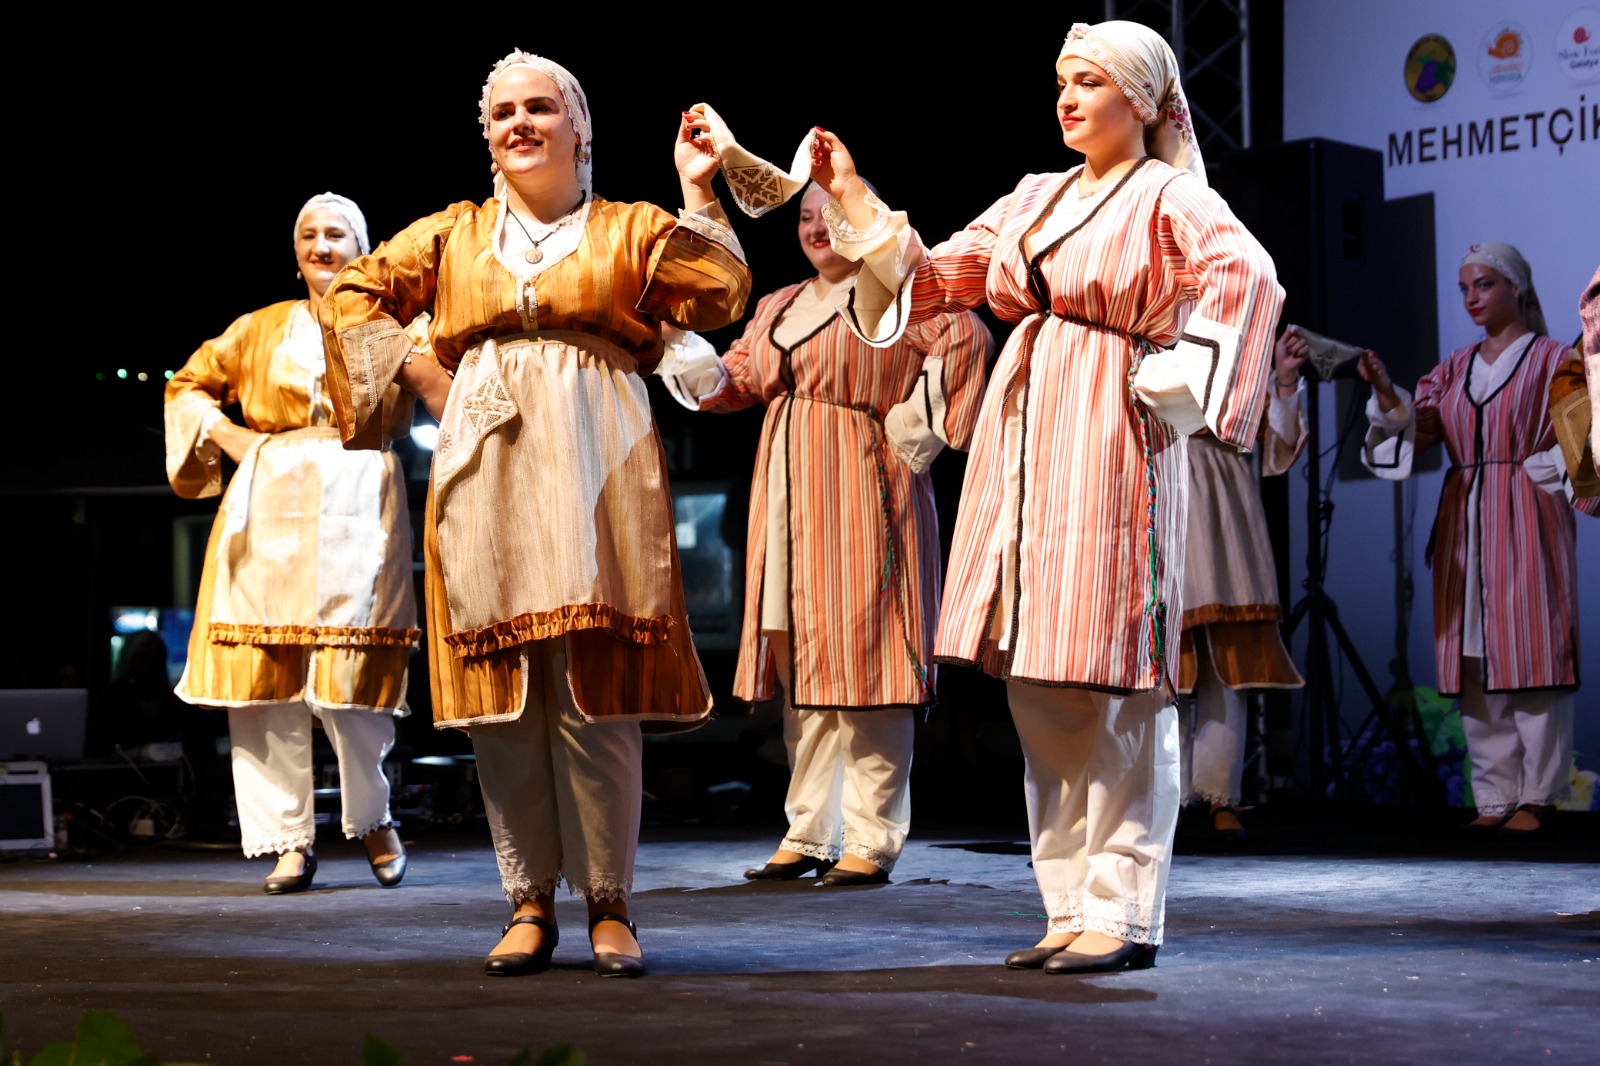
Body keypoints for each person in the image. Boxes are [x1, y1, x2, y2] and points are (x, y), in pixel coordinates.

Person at [810, 20, 1283, 973]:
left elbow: (1248, 277)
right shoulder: (1035, 195)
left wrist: (1186, 372)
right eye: (1062, 82)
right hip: (1024, 431)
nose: (1067, 98)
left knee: (1114, 675)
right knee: (1038, 672)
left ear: (1142, 102)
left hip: (1111, 424)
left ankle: (1123, 908)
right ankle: (1069, 902)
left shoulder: (1171, 196)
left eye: (1090, 82)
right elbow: (936, 277)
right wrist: (853, 196)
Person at [321, 52, 749, 978]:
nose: (521, 122)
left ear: (579, 126)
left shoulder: (629, 227)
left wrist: (694, 188)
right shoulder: (455, 233)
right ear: (487, 136)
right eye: (504, 111)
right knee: (505, 692)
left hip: (598, 451)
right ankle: (527, 901)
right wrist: (426, 374)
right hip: (487, 455)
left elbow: (718, 292)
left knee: (595, 688)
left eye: (541, 107)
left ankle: (610, 904)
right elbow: (353, 293)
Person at [657, 182, 992, 886]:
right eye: (806, 217)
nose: (815, 228)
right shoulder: (780, 305)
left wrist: (907, 434)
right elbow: (731, 383)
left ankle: (872, 837)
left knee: (868, 660)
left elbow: (965, 335)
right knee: (802, 665)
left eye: (831, 216)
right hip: (786, 491)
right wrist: (677, 343)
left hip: (864, 485)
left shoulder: (896, 294)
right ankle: (810, 829)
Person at [164, 193, 417, 894]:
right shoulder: (259, 327)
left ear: (361, 248)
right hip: (269, 497)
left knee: (352, 680)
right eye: (309, 234)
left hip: (358, 490)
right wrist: (229, 435)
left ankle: (373, 817)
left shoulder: (390, 322)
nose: (321, 246)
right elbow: (187, 386)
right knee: (264, 679)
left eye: (336, 234)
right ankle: (288, 840)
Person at [1358, 243, 1598, 836]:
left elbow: (1581, 435)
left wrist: (1553, 467)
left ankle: (1539, 796)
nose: (1471, 297)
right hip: (1463, 519)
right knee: (1471, 656)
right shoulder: (1453, 367)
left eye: (1484, 284)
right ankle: (1495, 795)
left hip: (1528, 514)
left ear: (1517, 288)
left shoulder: (1553, 359)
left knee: (1532, 649)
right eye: (1465, 287)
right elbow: (1419, 432)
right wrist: (1386, 392)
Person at [1177, 330, 1309, 840]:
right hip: (1160, 478)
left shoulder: (1235, 343)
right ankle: (1164, 793)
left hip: (1222, 494)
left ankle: (1218, 794)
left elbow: (1279, 447)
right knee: (1162, 657)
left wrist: (1284, 379)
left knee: (1227, 657)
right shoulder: (1143, 324)